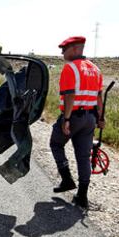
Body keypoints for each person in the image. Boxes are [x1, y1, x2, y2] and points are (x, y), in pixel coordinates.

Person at [50, 36, 105, 208]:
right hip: (90, 119)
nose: (62, 53)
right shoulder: (95, 69)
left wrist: (66, 119)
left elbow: (70, 95)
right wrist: (101, 118)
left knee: (56, 143)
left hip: (73, 116)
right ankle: (82, 196)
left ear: (74, 49)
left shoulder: (70, 68)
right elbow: (99, 97)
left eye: (64, 49)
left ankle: (66, 179)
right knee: (83, 156)